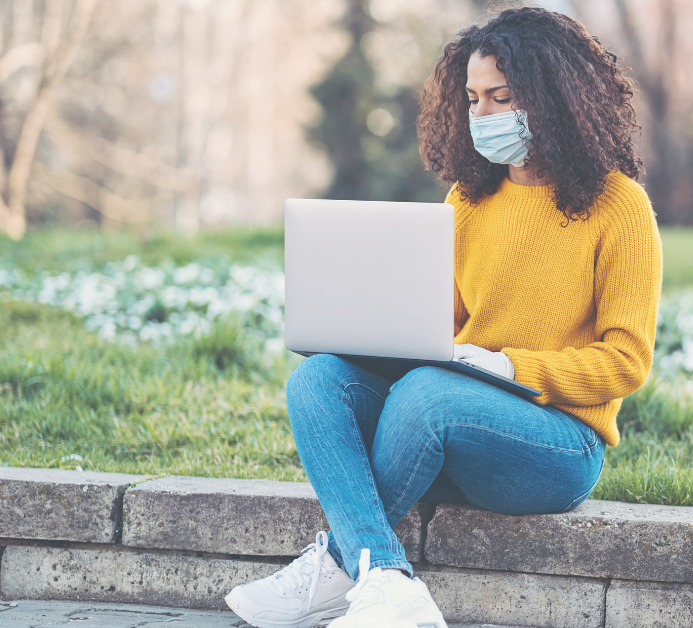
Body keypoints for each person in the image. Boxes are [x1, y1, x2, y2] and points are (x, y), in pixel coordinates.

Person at [224, 7, 662, 628]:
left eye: (501, 98)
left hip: (556, 444)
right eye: (473, 99)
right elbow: (436, 328)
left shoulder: (619, 206)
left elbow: (626, 361)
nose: (482, 115)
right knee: (318, 380)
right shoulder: (468, 199)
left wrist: (506, 365)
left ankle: (342, 570)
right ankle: (388, 584)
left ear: (552, 97)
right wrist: (387, 338)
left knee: (429, 394)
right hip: (447, 425)